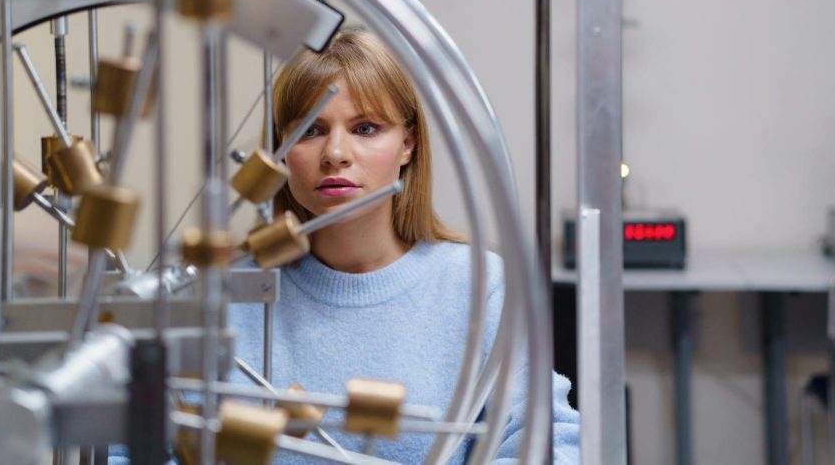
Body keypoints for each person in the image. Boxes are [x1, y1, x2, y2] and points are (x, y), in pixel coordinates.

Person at [227, 26, 580, 464]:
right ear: (280, 149)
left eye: (366, 127)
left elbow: (550, 444)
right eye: (312, 130)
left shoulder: (478, 287)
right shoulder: (230, 292)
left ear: (408, 144)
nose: (336, 153)